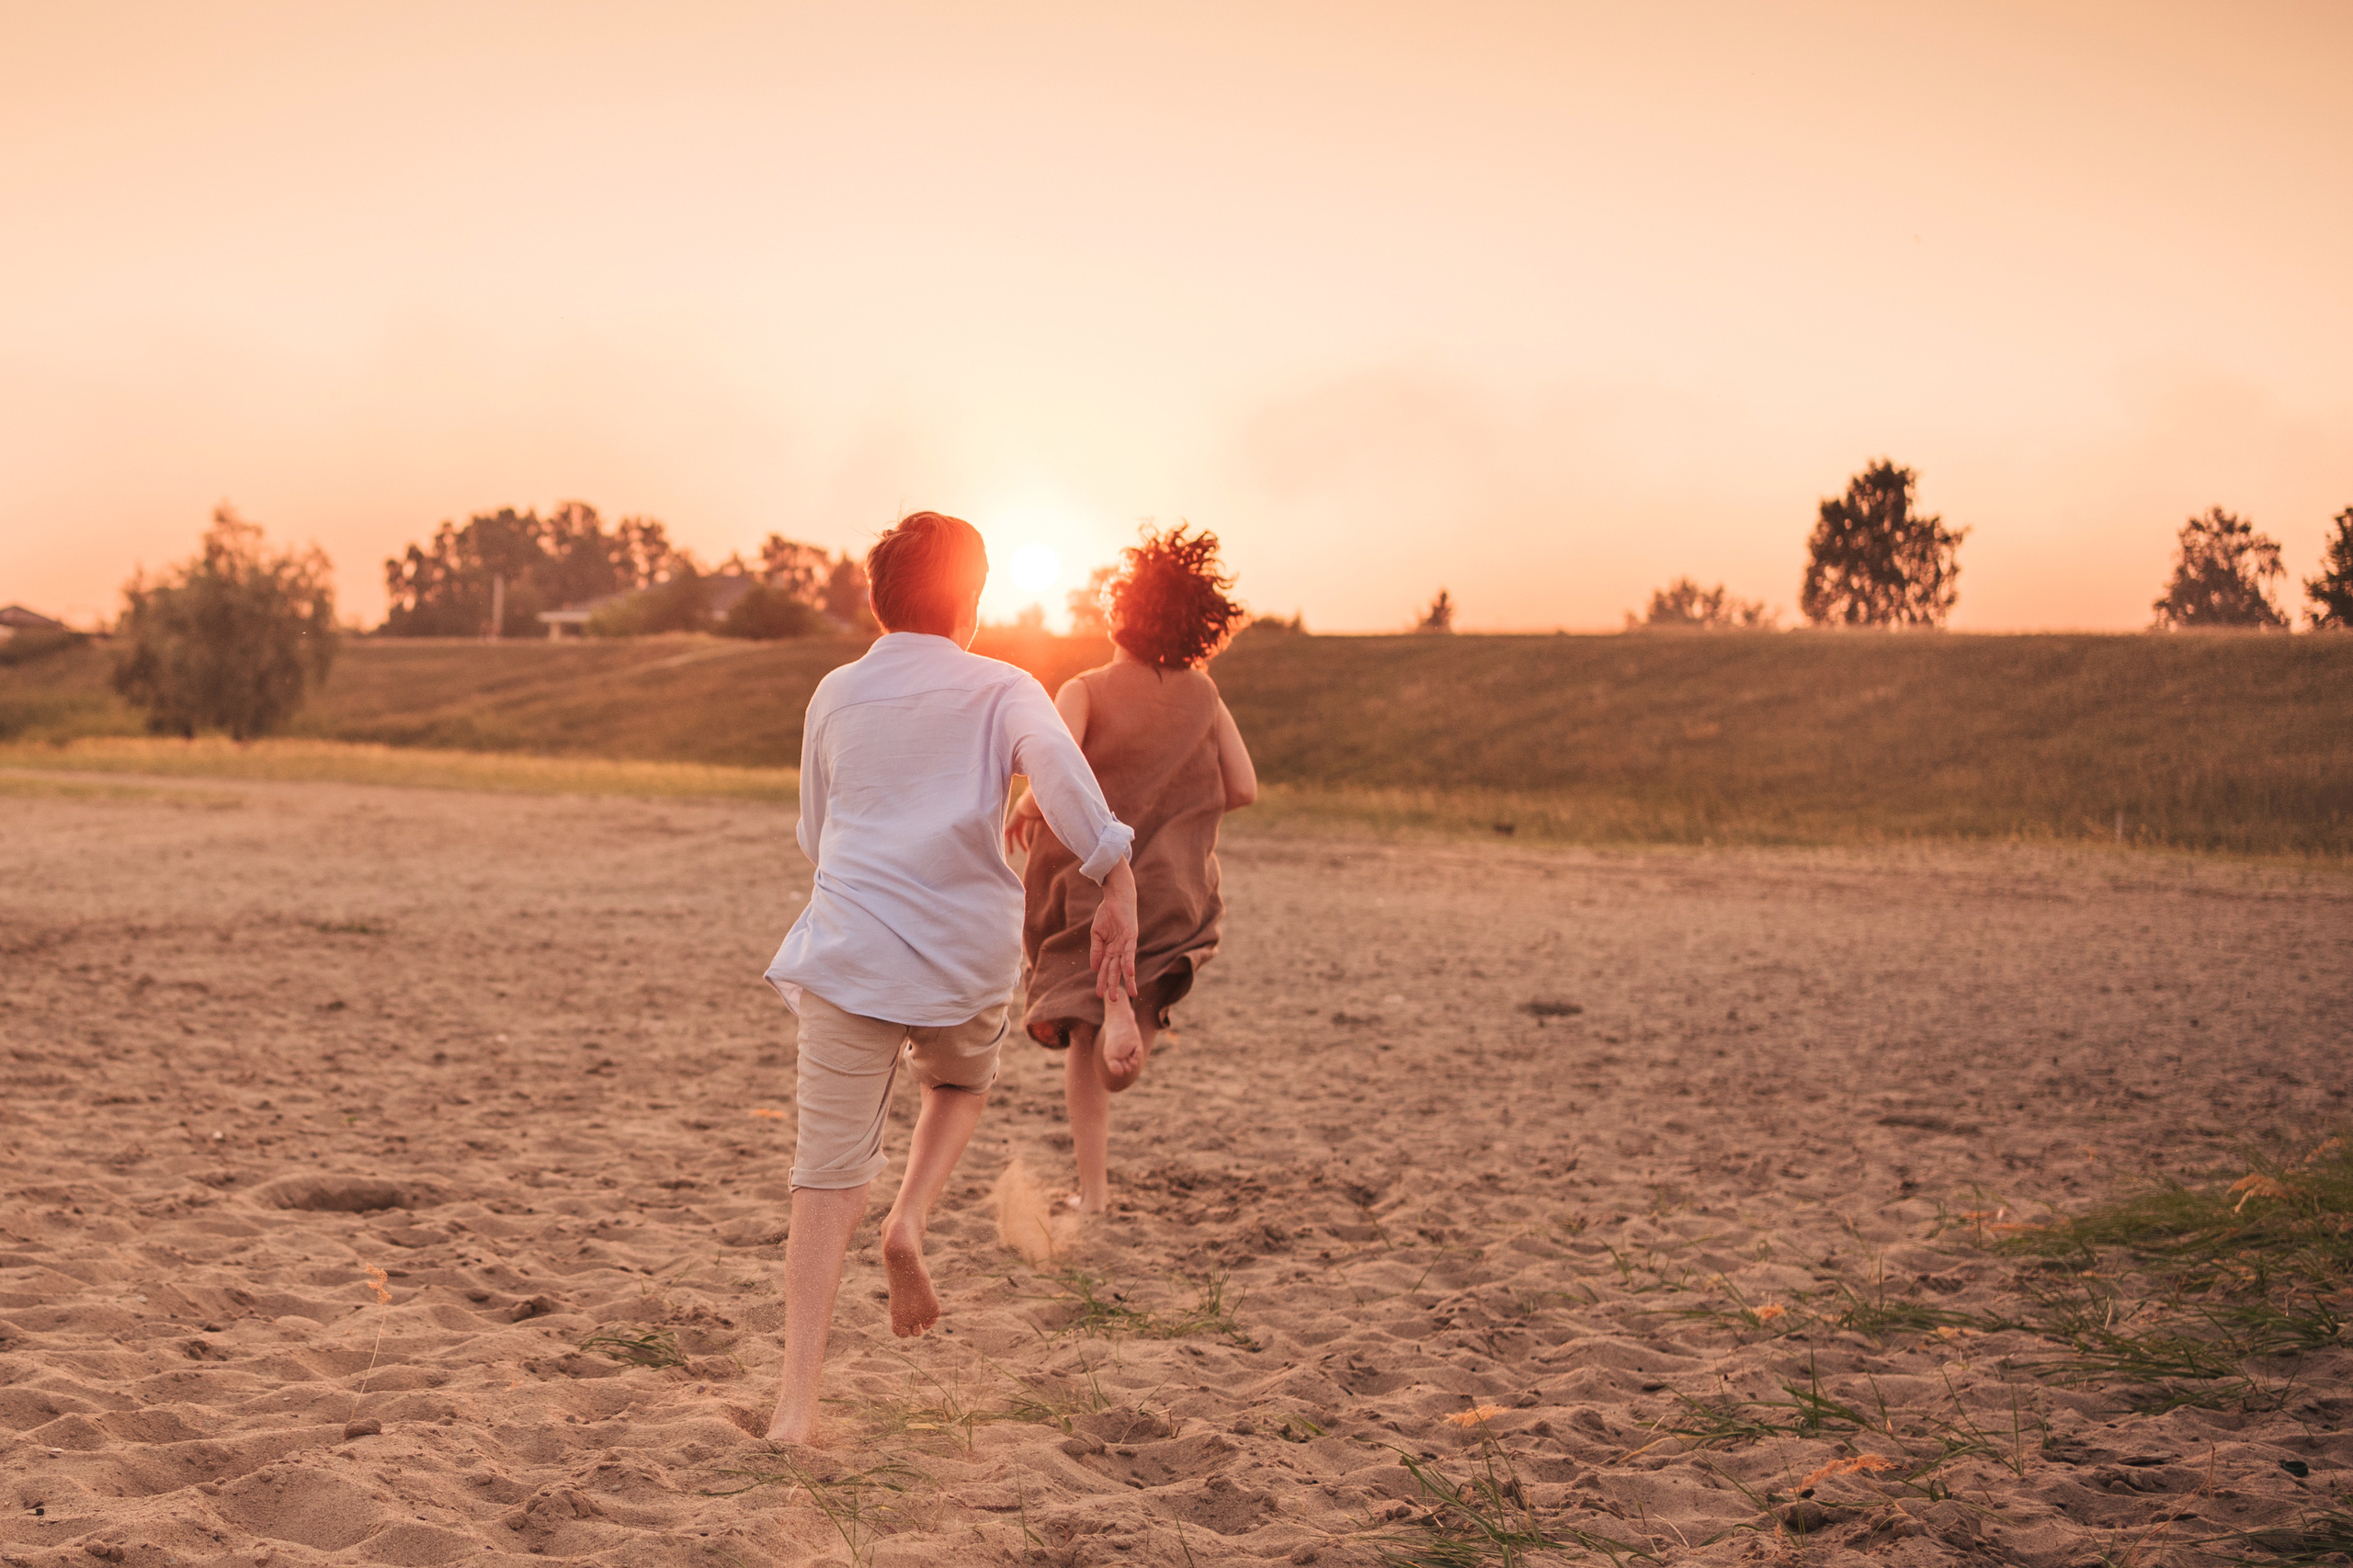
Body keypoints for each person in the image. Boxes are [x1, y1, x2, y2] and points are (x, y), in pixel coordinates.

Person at [760, 510, 1140, 1445]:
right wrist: (1113, 867)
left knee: (823, 1173)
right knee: (960, 1084)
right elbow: (1058, 773)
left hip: (849, 949)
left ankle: (794, 1405)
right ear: (968, 604)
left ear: (878, 600)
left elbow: (815, 832)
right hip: (962, 955)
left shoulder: (835, 694)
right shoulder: (1005, 684)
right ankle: (909, 1223)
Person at [1006, 524, 1256, 1214]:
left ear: (1121, 610)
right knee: (1135, 1002)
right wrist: (1179, 808)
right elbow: (1242, 787)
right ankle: (1132, 1022)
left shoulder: (1084, 689)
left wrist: (1025, 809)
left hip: (1086, 892)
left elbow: (1054, 776)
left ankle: (1093, 1193)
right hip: (1173, 889)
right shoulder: (1204, 696)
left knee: (1083, 1041)